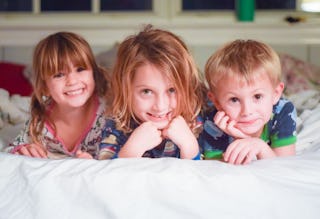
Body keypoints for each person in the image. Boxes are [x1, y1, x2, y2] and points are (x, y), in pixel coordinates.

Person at [98, 25, 204, 160]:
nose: (160, 106)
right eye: (147, 91)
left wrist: (189, 146)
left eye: (172, 90)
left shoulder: (198, 122)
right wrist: (132, 149)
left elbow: (206, 175)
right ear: (125, 91)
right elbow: (106, 177)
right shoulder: (114, 127)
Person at [6, 31, 111, 159]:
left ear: (93, 73)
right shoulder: (40, 120)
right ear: (45, 87)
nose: (72, 81)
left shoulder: (108, 115)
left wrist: (95, 162)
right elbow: (11, 151)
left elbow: (125, 154)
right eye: (59, 75)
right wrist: (24, 149)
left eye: (80, 69)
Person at [199, 39, 297, 165]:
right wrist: (238, 139)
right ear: (217, 102)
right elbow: (216, 169)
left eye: (257, 96)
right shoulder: (212, 123)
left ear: (276, 94)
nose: (247, 111)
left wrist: (260, 146)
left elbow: (285, 165)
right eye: (234, 100)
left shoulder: (283, 111)